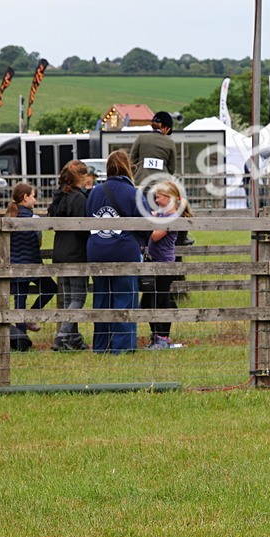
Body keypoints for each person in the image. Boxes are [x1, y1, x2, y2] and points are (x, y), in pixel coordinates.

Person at [86, 150, 148, 354]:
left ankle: (101, 346)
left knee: (102, 299)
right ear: (126, 167)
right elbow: (146, 222)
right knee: (125, 298)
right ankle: (122, 347)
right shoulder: (133, 192)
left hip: (97, 250)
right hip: (124, 250)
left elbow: (89, 217)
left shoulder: (95, 191)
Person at [140, 181, 191, 349]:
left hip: (165, 265)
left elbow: (154, 236)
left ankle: (160, 336)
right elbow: (152, 214)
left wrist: (149, 223)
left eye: (158, 197)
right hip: (157, 263)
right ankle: (161, 336)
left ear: (168, 198)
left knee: (154, 301)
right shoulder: (163, 215)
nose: (156, 199)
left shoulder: (171, 218)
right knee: (160, 300)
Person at [47, 160, 91, 351]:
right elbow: (85, 228)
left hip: (60, 251)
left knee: (68, 298)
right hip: (76, 252)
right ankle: (62, 336)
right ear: (82, 177)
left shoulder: (60, 197)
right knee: (78, 297)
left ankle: (72, 339)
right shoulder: (79, 199)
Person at [5, 183, 57, 332]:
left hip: (15, 265)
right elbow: (39, 241)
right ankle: (32, 315)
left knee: (20, 300)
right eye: (33, 196)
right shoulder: (34, 218)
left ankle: (20, 337)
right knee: (51, 288)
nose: (34, 200)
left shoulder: (9, 217)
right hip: (33, 264)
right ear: (25, 197)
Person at [128, 110, 176, 187]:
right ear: (166, 128)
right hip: (162, 184)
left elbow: (132, 161)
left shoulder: (141, 138)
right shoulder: (170, 142)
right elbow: (171, 168)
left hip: (141, 181)